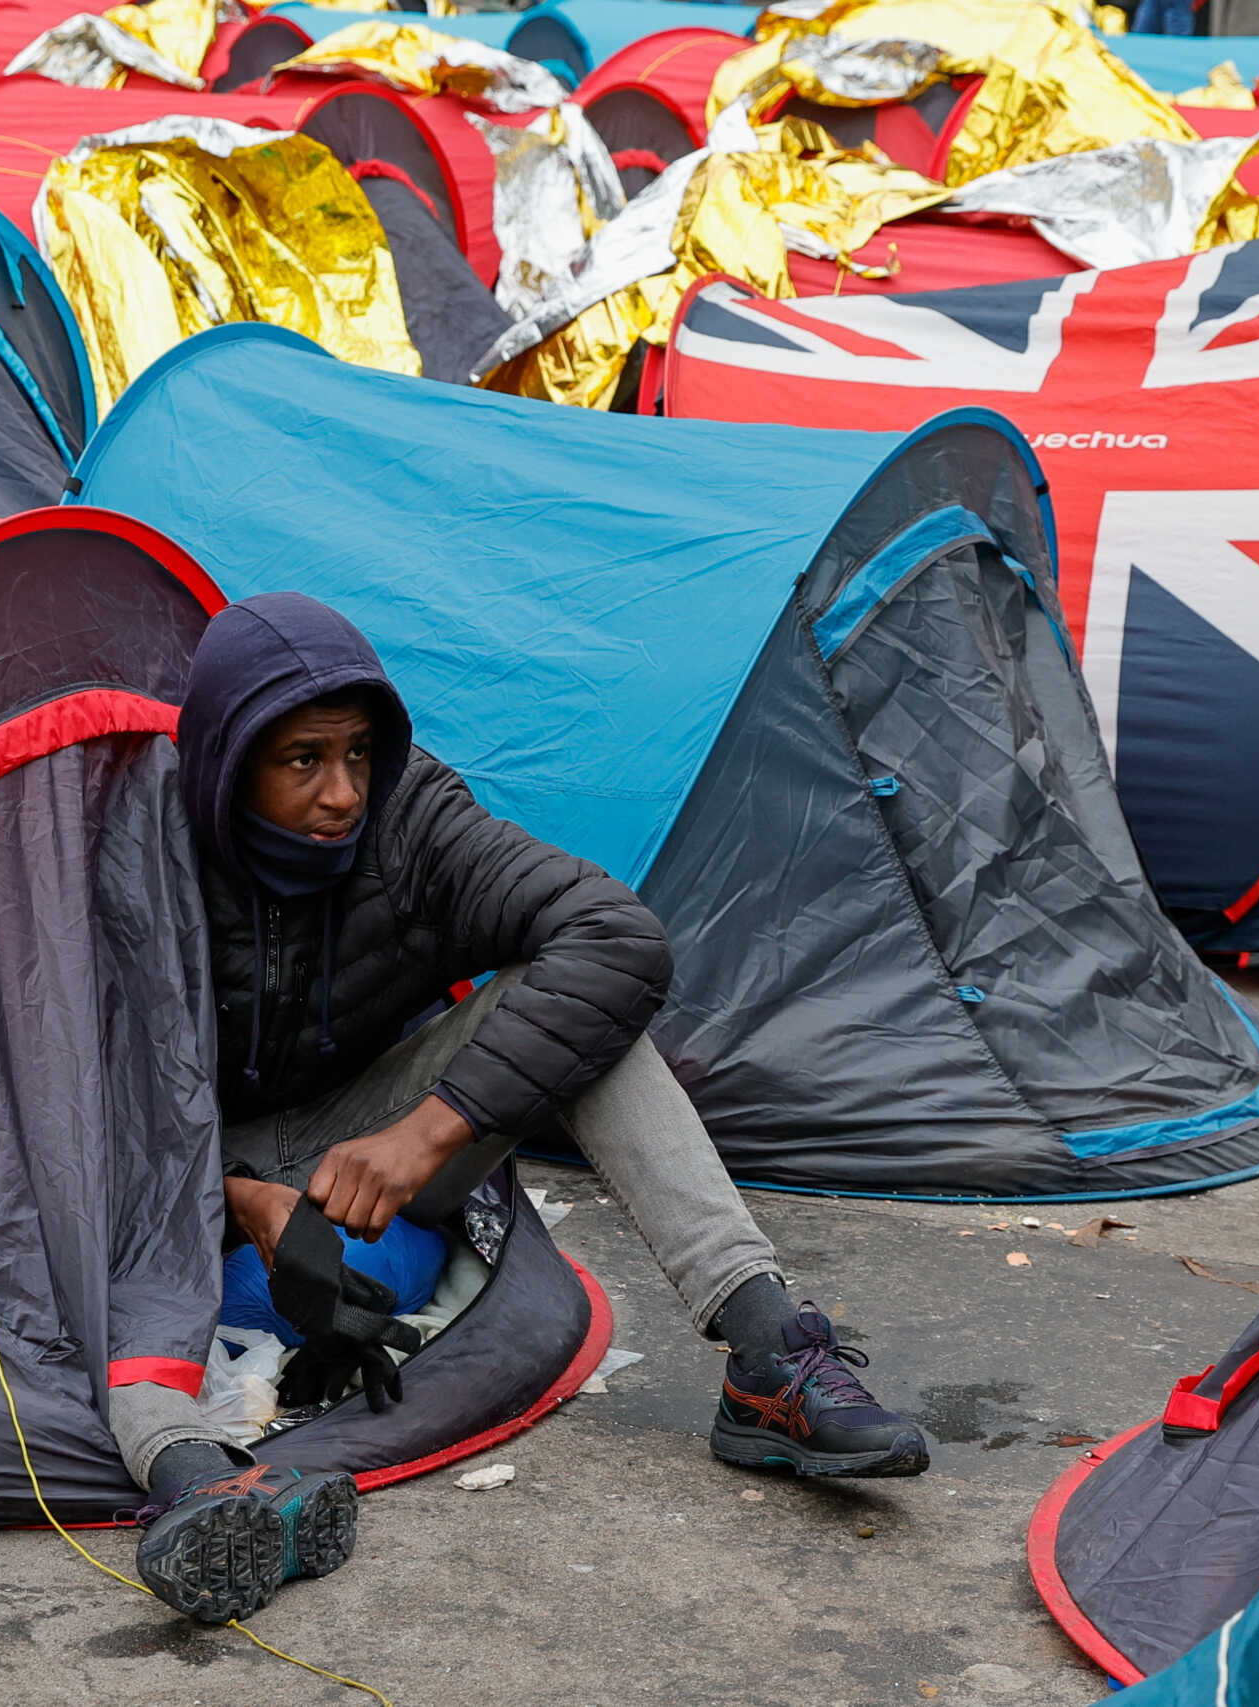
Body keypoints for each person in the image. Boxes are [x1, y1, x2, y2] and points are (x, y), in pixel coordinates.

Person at [115, 592, 930, 1623]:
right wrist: (239, 1200)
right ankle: (201, 1483)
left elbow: (617, 938)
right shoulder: (142, 853)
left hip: (356, 1123)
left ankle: (767, 1353)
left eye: (359, 755)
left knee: (593, 1017)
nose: (341, 795)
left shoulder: (410, 817)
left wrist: (426, 1132)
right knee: (95, 1272)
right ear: (229, 764)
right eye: (302, 762)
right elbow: (76, 1118)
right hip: (171, 1159)